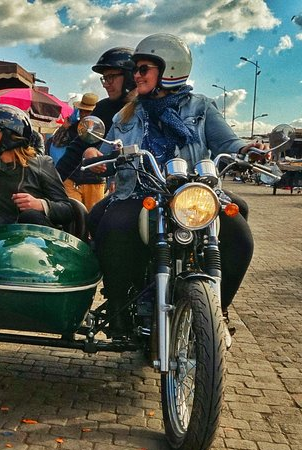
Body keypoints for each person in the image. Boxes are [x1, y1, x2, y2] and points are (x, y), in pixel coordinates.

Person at [84, 33, 256, 336]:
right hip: (140, 191)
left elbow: (227, 141)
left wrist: (247, 150)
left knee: (239, 234)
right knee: (112, 225)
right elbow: (110, 149)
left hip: (191, 193)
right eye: (135, 70)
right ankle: (118, 305)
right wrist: (96, 155)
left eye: (143, 69)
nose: (135, 76)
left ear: (169, 70)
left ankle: (219, 308)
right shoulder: (129, 112)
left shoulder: (201, 107)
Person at [56, 47, 138, 209]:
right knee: (95, 221)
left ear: (129, 76)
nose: (106, 84)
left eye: (111, 77)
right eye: (104, 78)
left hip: (157, 190)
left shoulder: (149, 107)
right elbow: (77, 149)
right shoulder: (104, 108)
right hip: (124, 193)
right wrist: (51, 184)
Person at [52, 93, 101, 210]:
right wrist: (64, 127)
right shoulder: (73, 127)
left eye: (88, 112)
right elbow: (56, 142)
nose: (84, 115)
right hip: (71, 179)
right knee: (73, 215)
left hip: (94, 181)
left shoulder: (102, 130)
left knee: (93, 218)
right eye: (82, 111)